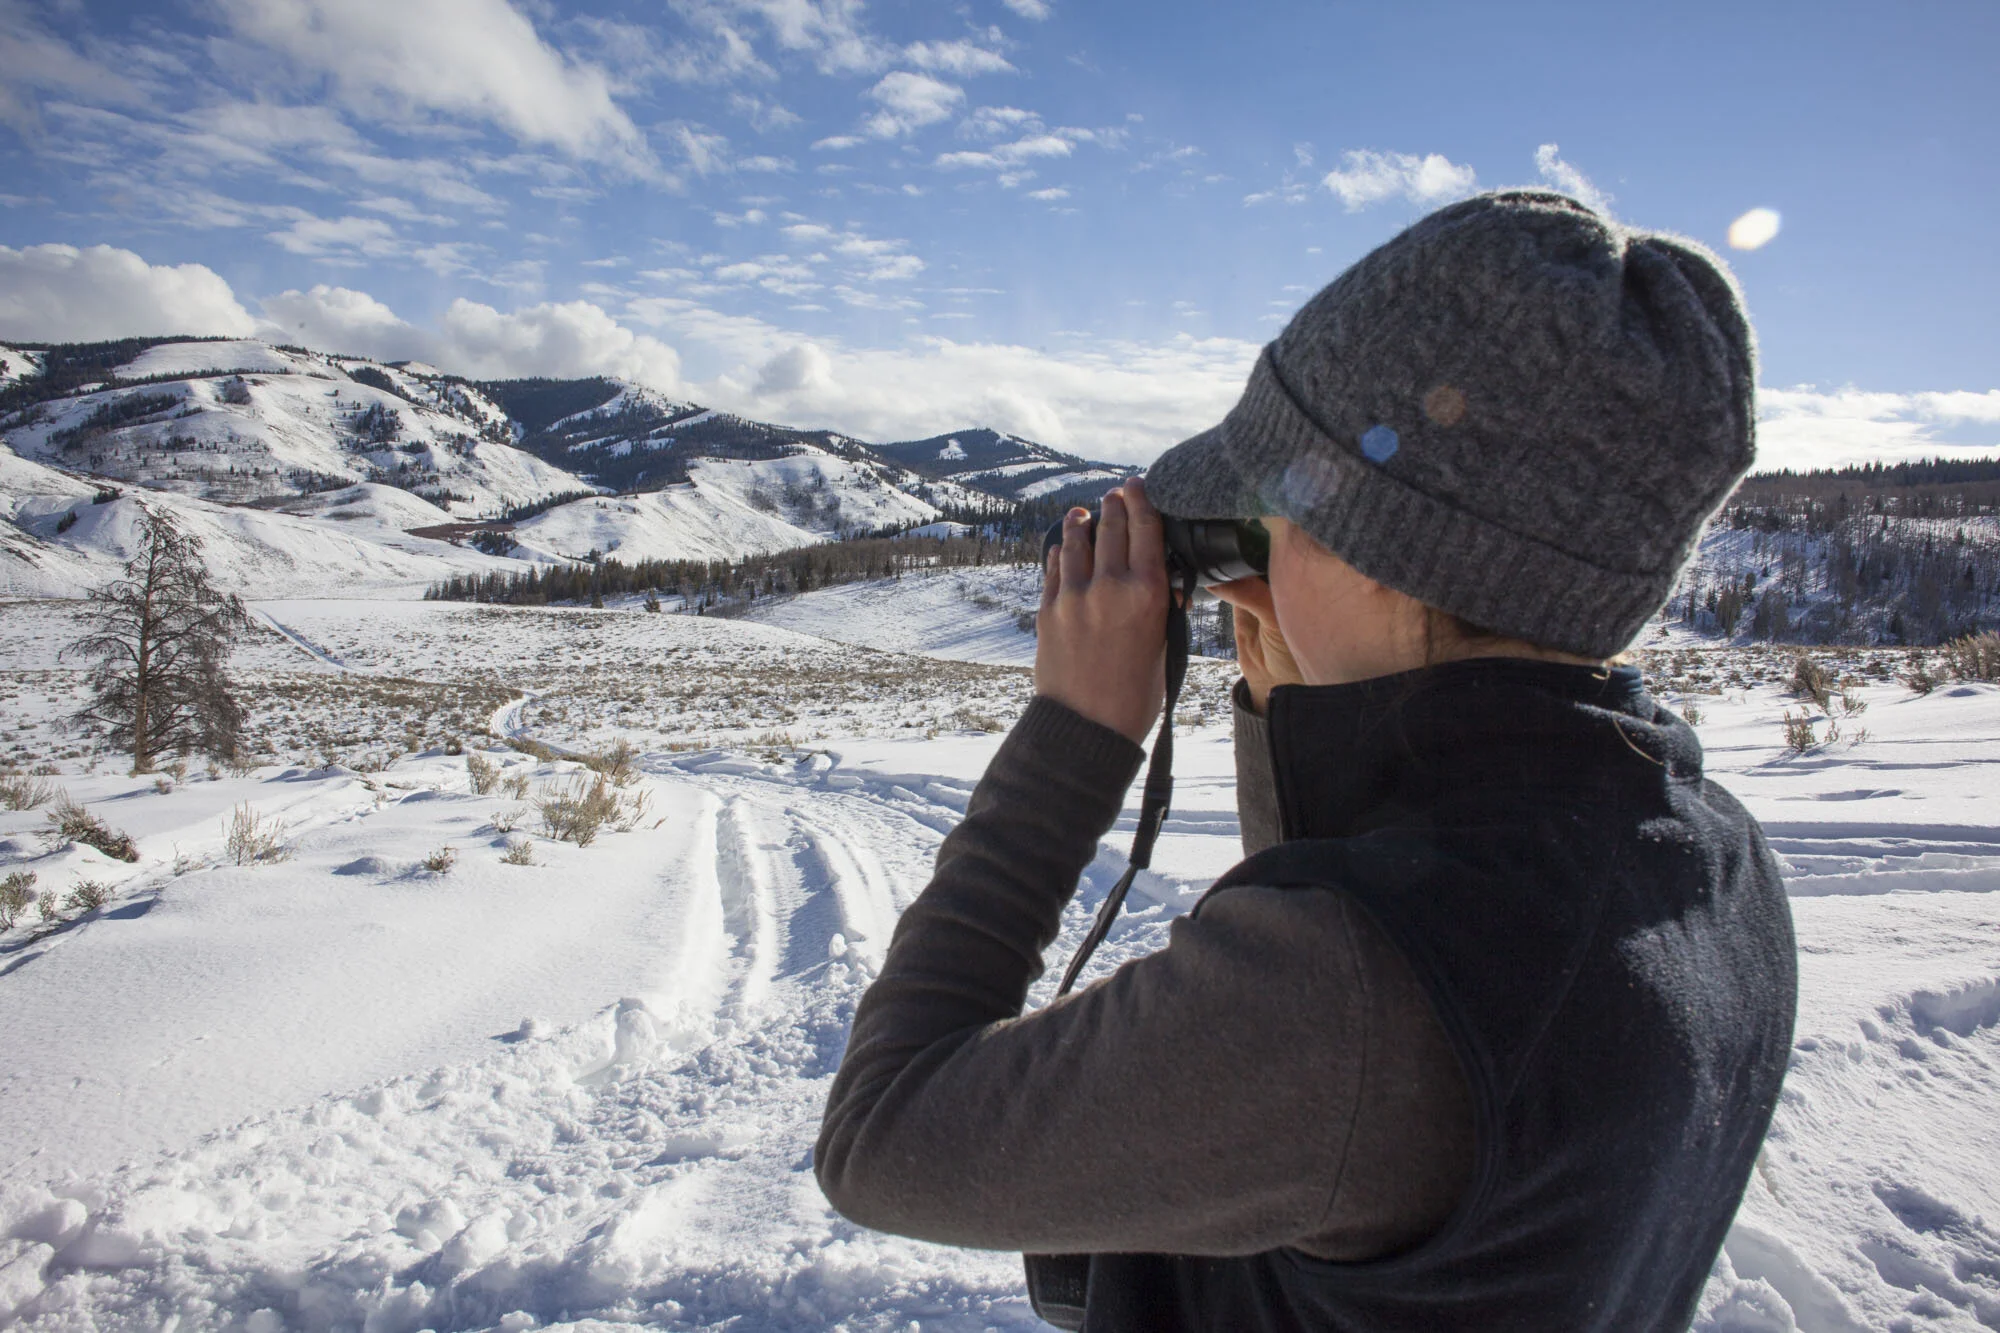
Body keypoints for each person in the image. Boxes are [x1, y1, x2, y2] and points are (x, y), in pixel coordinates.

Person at [815, 190, 1798, 1331]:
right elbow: (1354, 1143)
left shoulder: (1345, 991)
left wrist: (1073, 734)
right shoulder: (1711, 861)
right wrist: (1311, 698)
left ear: (1383, 552)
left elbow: (878, 1140)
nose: (1243, 557)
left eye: (1265, 517)